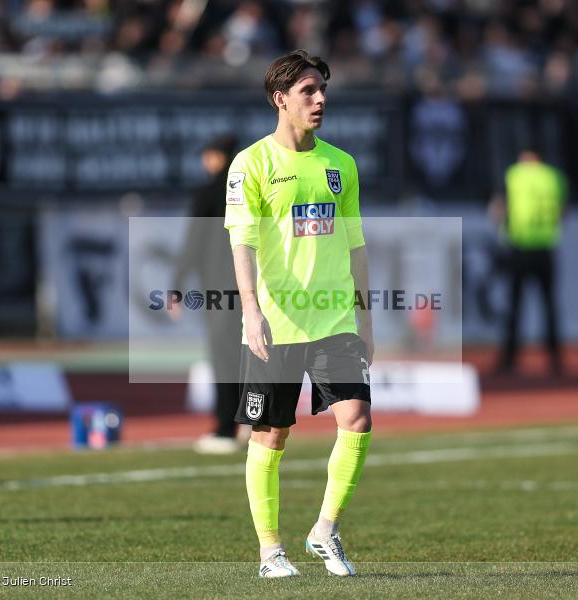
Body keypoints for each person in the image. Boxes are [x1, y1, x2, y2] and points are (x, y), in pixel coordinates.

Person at [224, 49, 373, 578]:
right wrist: (250, 311)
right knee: (271, 435)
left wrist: (366, 318)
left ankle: (325, 530)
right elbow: (241, 242)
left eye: (322, 90)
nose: (320, 100)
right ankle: (270, 552)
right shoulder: (251, 164)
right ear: (279, 99)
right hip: (278, 321)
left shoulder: (341, 165)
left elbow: (355, 246)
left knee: (356, 421)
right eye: (308, 91)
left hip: (335, 320)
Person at [172, 135, 245, 454]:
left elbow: (194, 241)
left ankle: (225, 429)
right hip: (254, 285)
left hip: (220, 287)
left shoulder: (209, 192)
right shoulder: (250, 189)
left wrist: (176, 284)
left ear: (217, 157)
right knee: (249, 354)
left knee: (224, 358)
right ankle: (256, 421)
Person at [491, 146, 566, 376]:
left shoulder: (514, 175)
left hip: (520, 246)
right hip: (546, 247)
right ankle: (555, 359)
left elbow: (498, 209)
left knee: (514, 306)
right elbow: (563, 211)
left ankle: (509, 359)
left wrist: (502, 229)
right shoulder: (554, 177)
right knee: (549, 305)